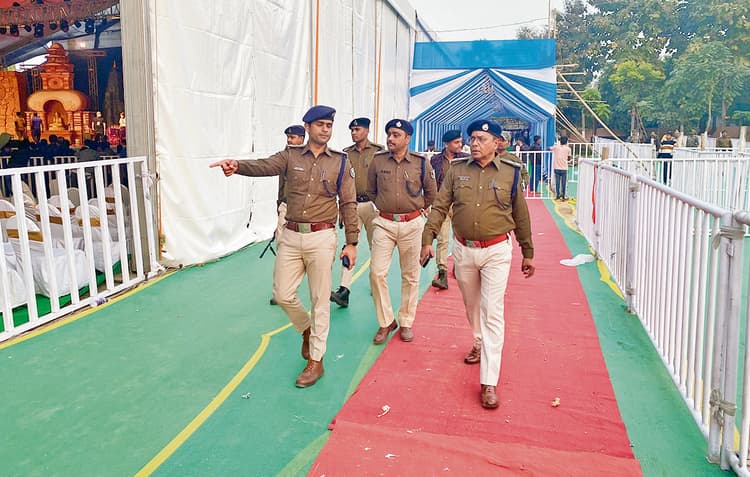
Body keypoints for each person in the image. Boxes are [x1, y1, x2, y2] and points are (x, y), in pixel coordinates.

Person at [210, 105, 359, 388]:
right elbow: (265, 166)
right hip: (291, 236)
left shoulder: (340, 162)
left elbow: (349, 202)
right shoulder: (291, 156)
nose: (325, 129)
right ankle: (306, 329)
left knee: (320, 300)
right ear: (307, 127)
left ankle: (316, 360)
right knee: (282, 294)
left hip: (322, 237)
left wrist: (352, 242)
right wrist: (237, 165)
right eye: (320, 124)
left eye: (329, 125)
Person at [420, 119, 535, 409]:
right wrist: (427, 238)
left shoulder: (510, 173)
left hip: (497, 250)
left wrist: (528, 251)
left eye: (481, 139)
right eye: (472, 138)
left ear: (497, 143)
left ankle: (488, 381)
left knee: (492, 311)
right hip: (464, 250)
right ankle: (478, 340)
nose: (474, 143)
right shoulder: (457, 170)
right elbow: (440, 205)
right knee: (472, 305)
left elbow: (520, 214)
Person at [367, 119, 437, 344]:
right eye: (389, 134)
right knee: (377, 273)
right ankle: (386, 321)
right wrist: (386, 205)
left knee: (410, 276)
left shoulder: (421, 163)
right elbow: (371, 190)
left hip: (412, 225)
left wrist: (415, 209)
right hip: (384, 223)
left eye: (396, 135)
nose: (390, 138)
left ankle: (406, 321)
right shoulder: (378, 161)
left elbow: (431, 193)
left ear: (407, 138)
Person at [330, 117, 385, 307]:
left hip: (373, 205)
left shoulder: (379, 152)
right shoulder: (345, 154)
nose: (354, 133)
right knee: (349, 244)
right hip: (352, 205)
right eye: (352, 130)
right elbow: (339, 182)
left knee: (376, 246)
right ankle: (344, 290)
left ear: (367, 131)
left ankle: (376, 283)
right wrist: (341, 207)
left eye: (358, 129)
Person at [269, 124, 306, 306]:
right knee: (281, 247)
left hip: (302, 210)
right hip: (285, 206)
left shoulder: (308, 157)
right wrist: (279, 206)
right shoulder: (284, 157)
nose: (289, 140)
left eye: (293, 137)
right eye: (288, 137)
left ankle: (290, 289)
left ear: (302, 138)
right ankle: (279, 291)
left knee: (300, 251)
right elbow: (281, 184)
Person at [428, 129, 468, 290]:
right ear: (446, 144)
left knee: (460, 238)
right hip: (441, 204)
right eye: (456, 142)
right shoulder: (435, 160)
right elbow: (430, 182)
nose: (460, 145)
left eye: (460, 142)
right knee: (442, 239)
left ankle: (458, 266)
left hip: (461, 204)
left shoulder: (466, 159)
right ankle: (442, 272)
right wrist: (429, 203)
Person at [550, 136, 572, 200]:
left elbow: (549, 148)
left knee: (557, 182)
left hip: (556, 167)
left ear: (560, 141)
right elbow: (569, 158)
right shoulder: (568, 149)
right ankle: (564, 195)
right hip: (564, 168)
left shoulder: (556, 147)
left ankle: (557, 195)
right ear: (566, 142)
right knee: (564, 183)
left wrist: (555, 145)